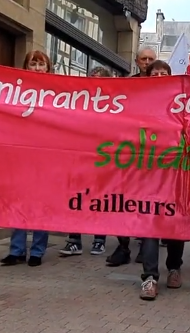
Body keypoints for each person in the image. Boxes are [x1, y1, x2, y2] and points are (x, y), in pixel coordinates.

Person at [138, 60, 186, 300]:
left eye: (163, 73)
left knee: (175, 224)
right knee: (150, 224)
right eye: (154, 73)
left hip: (175, 174)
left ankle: (175, 268)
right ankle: (149, 277)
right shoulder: (138, 103)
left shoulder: (182, 104)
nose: (158, 76)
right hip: (147, 175)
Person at [1, 51, 53, 267]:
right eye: (33, 64)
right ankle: (17, 250)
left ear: (48, 68)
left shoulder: (59, 91)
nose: (38, 69)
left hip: (46, 156)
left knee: (41, 204)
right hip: (21, 154)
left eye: (42, 65)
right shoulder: (16, 90)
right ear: (26, 66)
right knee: (18, 201)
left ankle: (38, 251)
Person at [107, 47, 158, 267]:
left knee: (149, 201)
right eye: (143, 59)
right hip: (130, 151)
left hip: (155, 154)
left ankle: (146, 245)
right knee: (123, 199)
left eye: (151, 59)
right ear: (137, 62)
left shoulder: (167, 85)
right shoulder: (128, 86)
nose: (147, 62)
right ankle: (123, 245)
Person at [60, 66, 114, 257]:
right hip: (79, 158)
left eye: (99, 78)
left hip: (102, 160)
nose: (94, 82)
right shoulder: (78, 101)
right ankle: (74, 241)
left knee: (101, 200)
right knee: (75, 198)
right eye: (92, 78)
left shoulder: (113, 105)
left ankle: (99, 240)